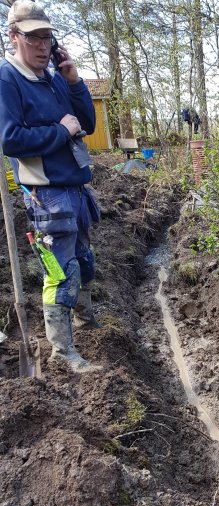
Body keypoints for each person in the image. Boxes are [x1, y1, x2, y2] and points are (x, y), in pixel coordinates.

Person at [0, 0, 101, 372]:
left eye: (47, 37)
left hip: (75, 189)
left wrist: (74, 82)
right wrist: (61, 131)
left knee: (84, 263)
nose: (43, 46)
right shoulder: (7, 79)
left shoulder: (55, 78)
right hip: (47, 195)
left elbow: (87, 123)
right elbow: (11, 140)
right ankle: (63, 351)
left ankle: (86, 321)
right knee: (61, 270)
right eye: (33, 38)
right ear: (13, 38)